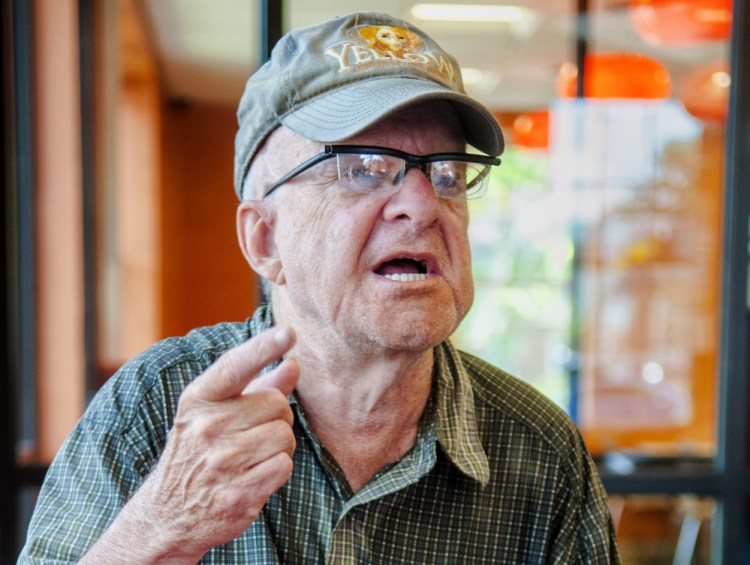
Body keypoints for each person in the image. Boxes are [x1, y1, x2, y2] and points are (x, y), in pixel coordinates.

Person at [19, 11, 620, 564]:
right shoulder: (154, 408)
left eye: (447, 173)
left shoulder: (539, 449)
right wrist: (160, 524)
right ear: (264, 240)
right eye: (363, 168)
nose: (422, 203)